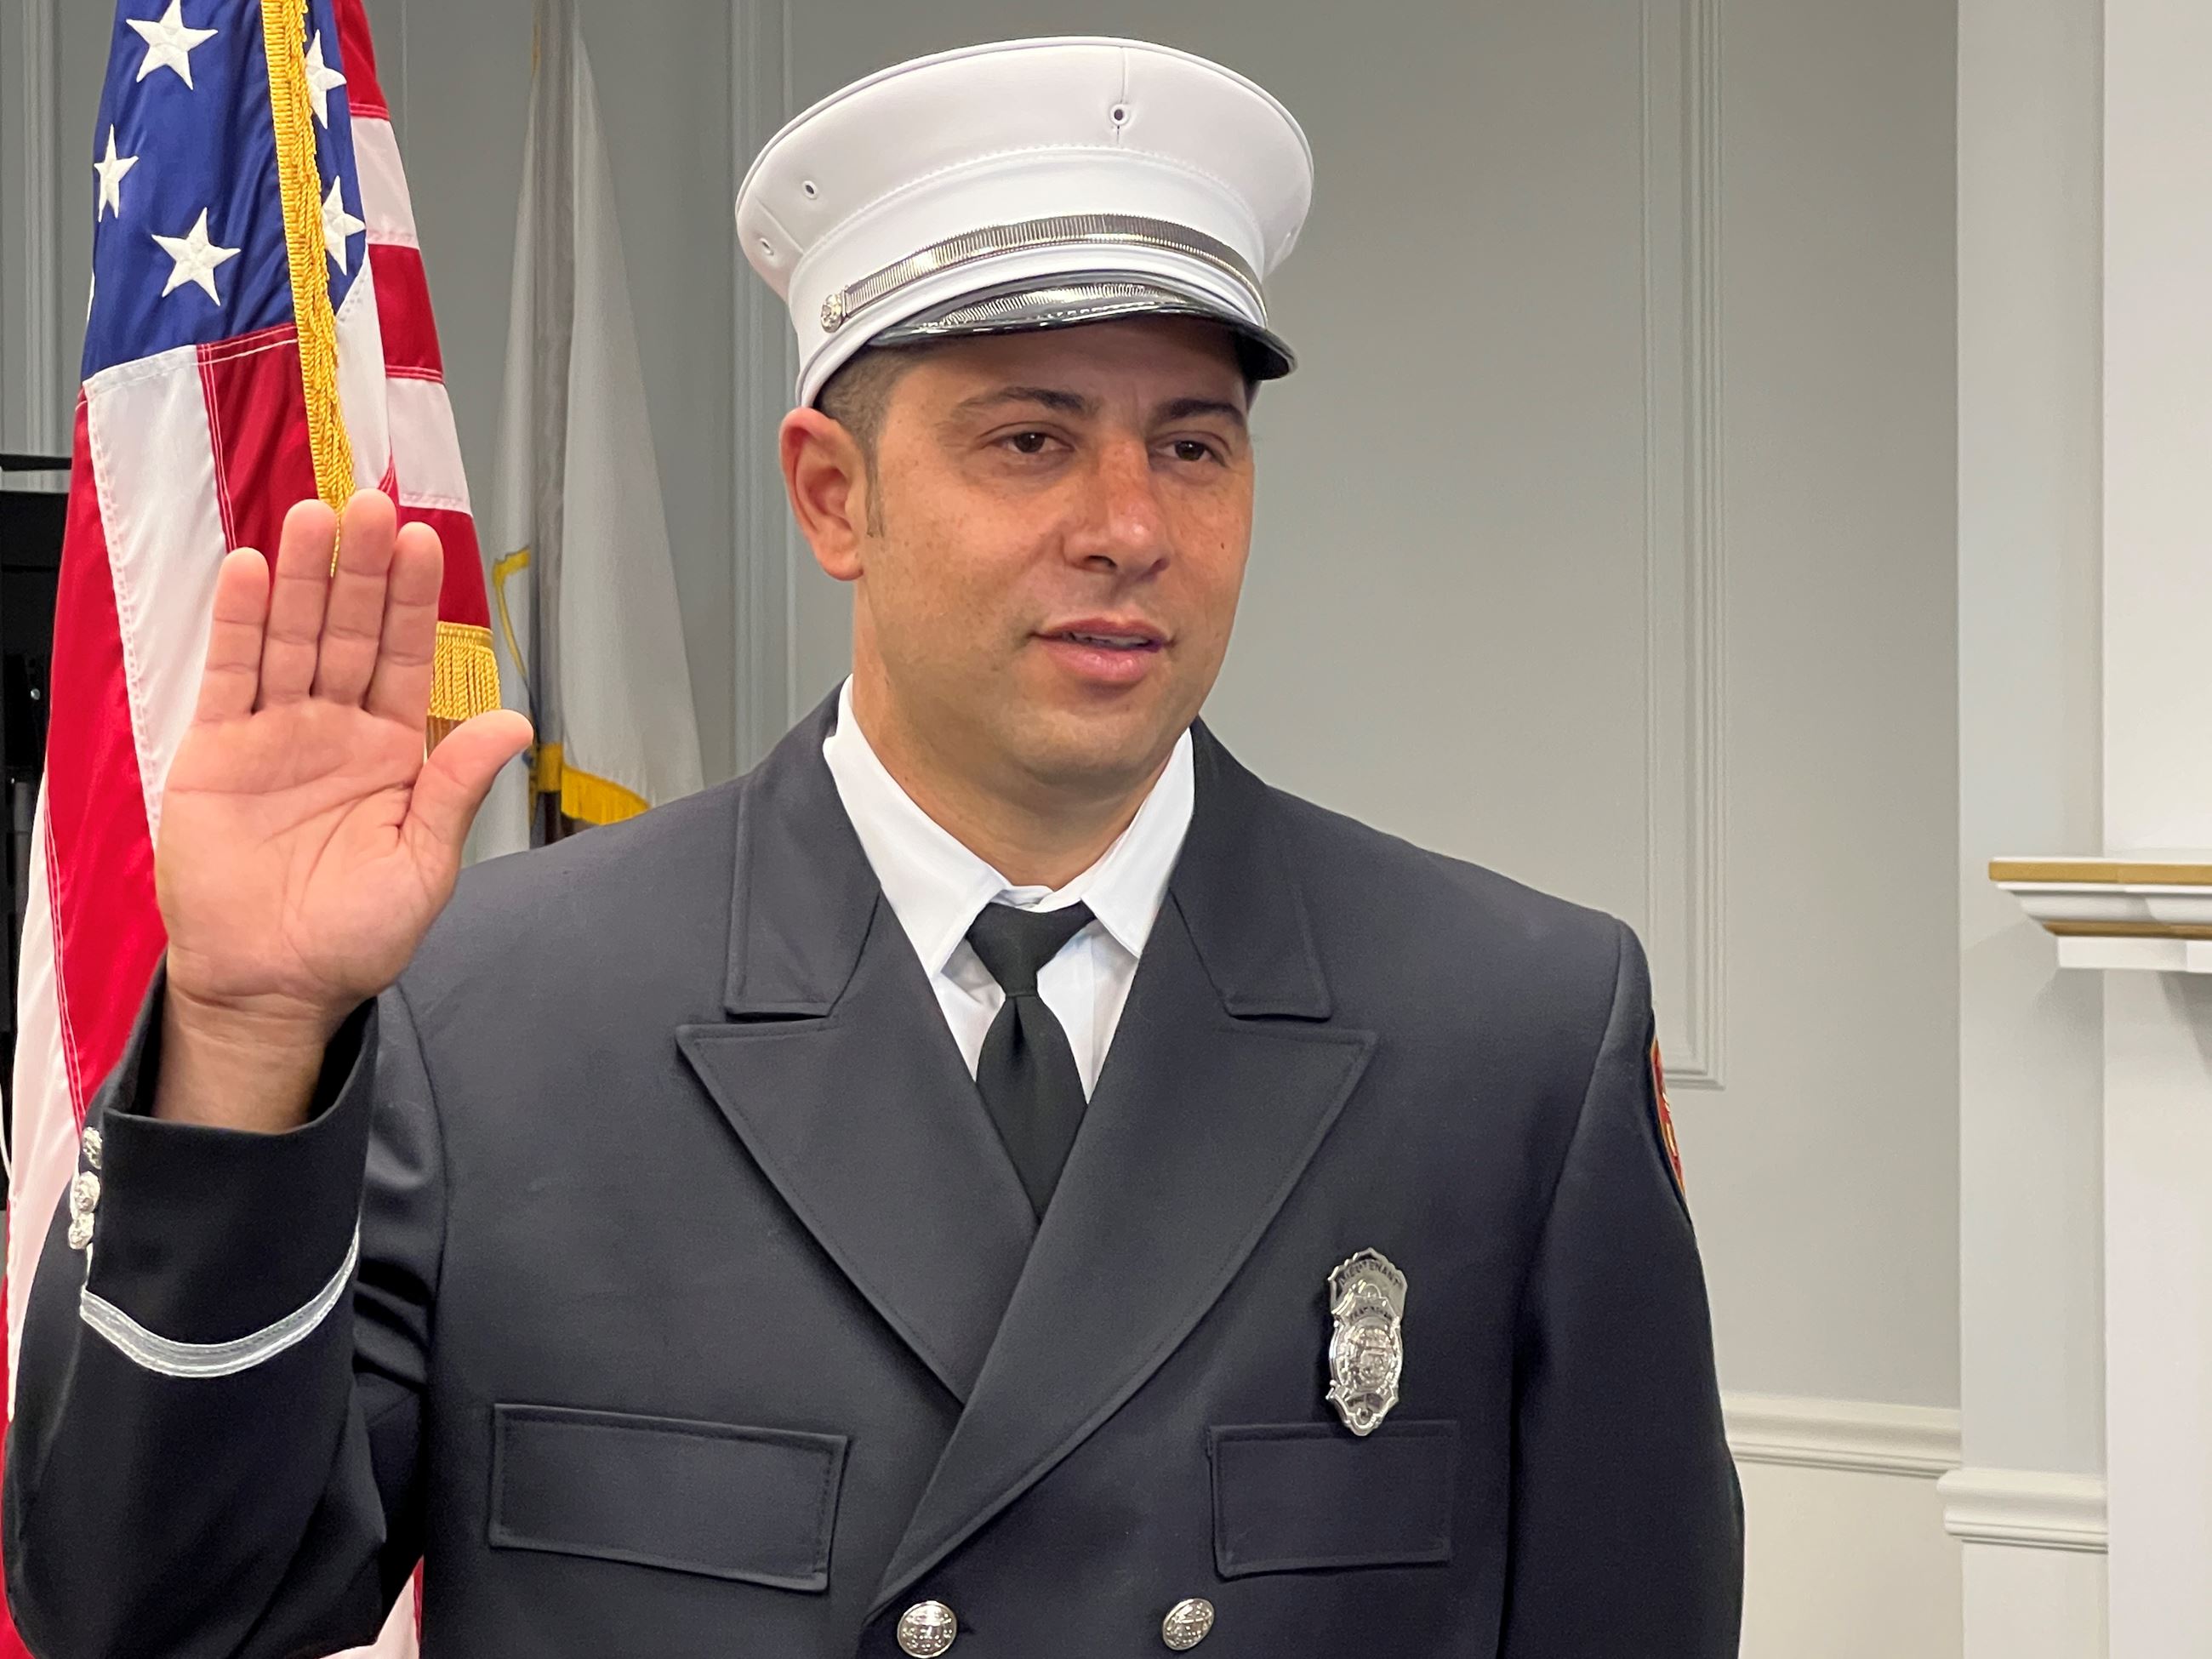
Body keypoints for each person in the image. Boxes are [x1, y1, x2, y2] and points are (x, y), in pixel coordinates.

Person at [4, 36, 1742, 1659]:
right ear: (834, 495)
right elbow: (157, 1619)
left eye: (1192, 446)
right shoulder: (493, 1017)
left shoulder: (1508, 1032)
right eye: (1029, 439)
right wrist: (239, 1035)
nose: (1130, 526)